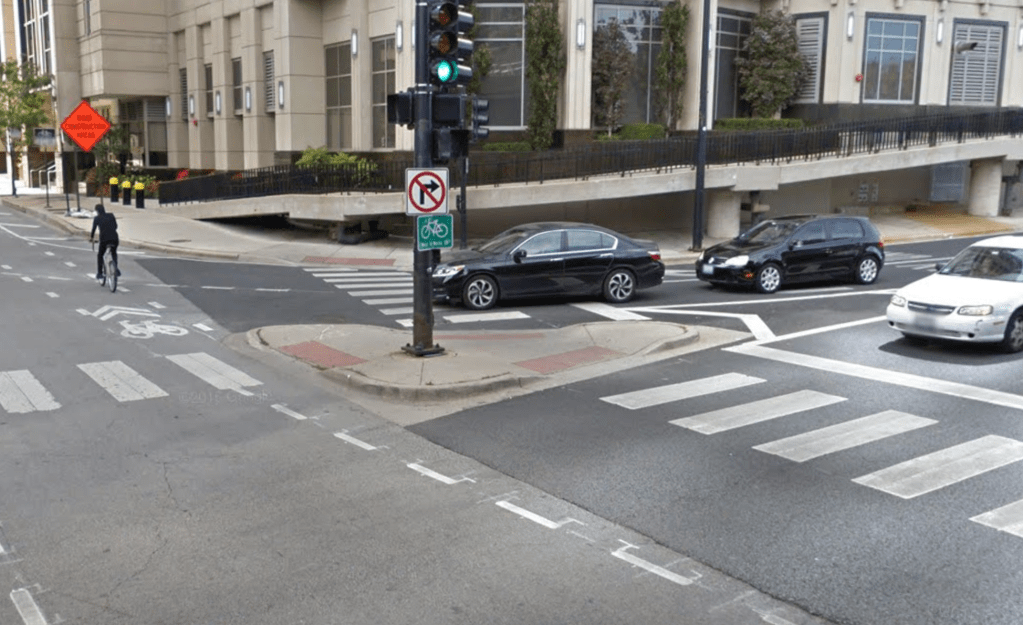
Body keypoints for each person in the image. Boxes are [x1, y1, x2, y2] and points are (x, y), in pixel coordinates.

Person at [90, 204, 120, 280]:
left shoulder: (97, 218)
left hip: (104, 239)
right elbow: (116, 226)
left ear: (97, 211)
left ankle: (99, 273)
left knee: (100, 255)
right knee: (114, 253)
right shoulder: (111, 215)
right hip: (114, 238)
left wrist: (91, 238)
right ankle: (116, 269)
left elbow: (93, 229)